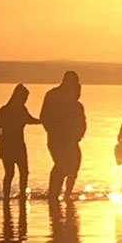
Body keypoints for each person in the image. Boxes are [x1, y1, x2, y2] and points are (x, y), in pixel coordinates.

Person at [40, 71, 86, 201]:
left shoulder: (76, 104)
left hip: (72, 141)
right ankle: (53, 195)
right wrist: (53, 132)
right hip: (56, 139)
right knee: (61, 165)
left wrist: (78, 135)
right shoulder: (53, 95)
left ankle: (67, 195)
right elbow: (44, 117)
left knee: (74, 165)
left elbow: (82, 122)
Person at [0, 84, 40, 202]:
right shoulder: (4, 110)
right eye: (24, 98)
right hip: (7, 146)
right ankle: (6, 197)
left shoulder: (22, 109)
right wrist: (0, 144)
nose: (25, 100)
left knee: (24, 171)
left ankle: (22, 194)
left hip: (19, 146)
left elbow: (30, 120)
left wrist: (43, 121)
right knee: (10, 173)